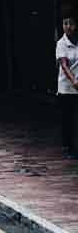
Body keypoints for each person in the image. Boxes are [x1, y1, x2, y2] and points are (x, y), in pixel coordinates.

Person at [56, 16, 78, 156]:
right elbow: (64, 65)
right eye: (65, 23)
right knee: (68, 118)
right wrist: (74, 81)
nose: (68, 26)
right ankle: (69, 147)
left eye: (71, 23)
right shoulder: (61, 43)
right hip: (67, 86)